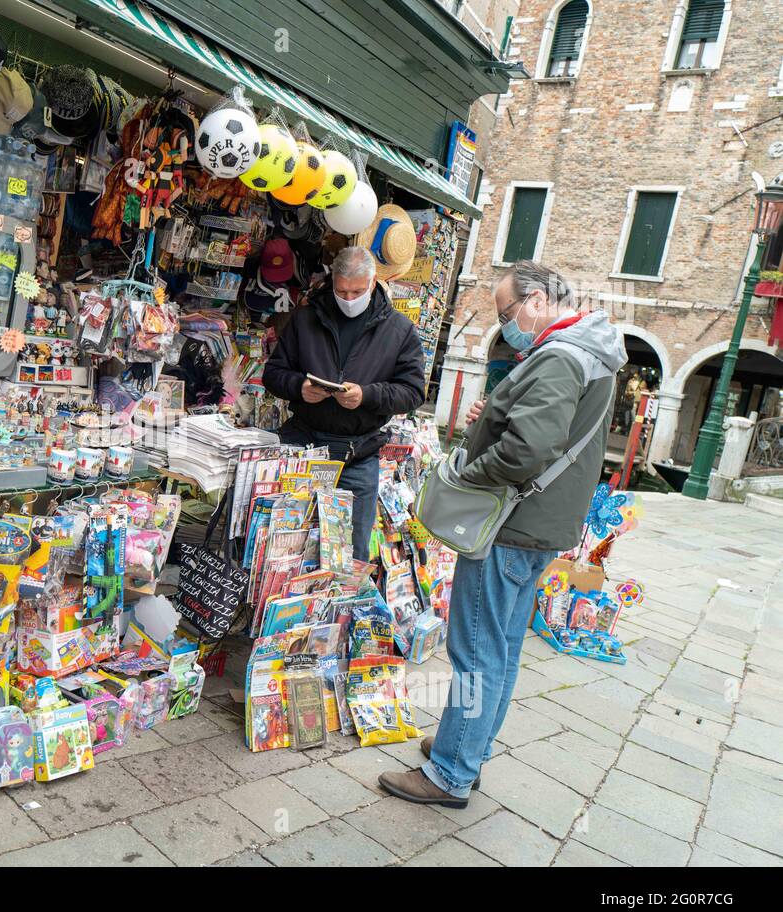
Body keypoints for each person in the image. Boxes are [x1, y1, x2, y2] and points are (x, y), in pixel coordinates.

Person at [379, 260, 627, 809]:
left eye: (507, 311)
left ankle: (449, 774)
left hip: (510, 525)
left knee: (476, 652)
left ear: (537, 300)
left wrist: (470, 472)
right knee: (503, 648)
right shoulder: (590, 351)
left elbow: (527, 449)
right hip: (540, 525)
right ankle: (467, 747)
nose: (507, 321)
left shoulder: (562, 356)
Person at [261, 245, 425, 560]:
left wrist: (367, 395)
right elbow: (273, 374)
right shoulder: (306, 318)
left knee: (352, 554)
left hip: (358, 454)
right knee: (282, 549)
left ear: (373, 284)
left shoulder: (400, 331)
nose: (349, 299)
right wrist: (300, 388)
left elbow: (413, 391)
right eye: (342, 291)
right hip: (303, 444)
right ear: (333, 282)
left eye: (357, 292)